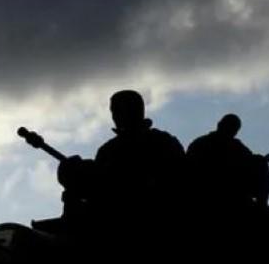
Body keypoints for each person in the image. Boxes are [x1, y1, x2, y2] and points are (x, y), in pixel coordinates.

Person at [58, 90, 185, 218]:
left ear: (136, 110)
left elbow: (179, 181)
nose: (115, 116)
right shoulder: (107, 151)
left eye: (119, 110)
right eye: (113, 111)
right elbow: (96, 193)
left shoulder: (162, 142)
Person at [187, 114, 269, 207]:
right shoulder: (203, 143)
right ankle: (261, 206)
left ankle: (261, 205)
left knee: (260, 161)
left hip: (229, 183)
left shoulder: (237, 146)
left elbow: (251, 160)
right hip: (209, 183)